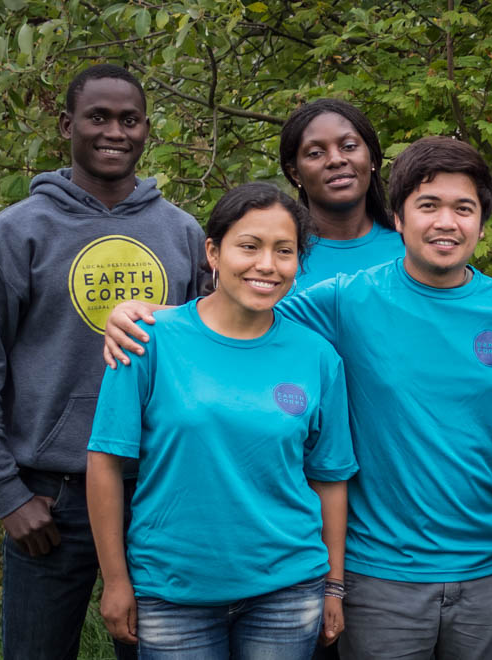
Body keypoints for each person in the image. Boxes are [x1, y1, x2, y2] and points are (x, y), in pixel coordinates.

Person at [106, 136, 492, 660]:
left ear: (482, 222)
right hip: (379, 574)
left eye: (464, 208)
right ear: (398, 218)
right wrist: (147, 314)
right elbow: (239, 312)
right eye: (428, 205)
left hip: (489, 568)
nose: (446, 222)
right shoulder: (346, 298)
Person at [0, 63, 206, 660]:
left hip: (156, 493)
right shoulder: (17, 232)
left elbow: (214, 352)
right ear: (67, 125)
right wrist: (6, 493)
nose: (115, 131)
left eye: (129, 119)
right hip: (48, 502)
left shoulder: (182, 233)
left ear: (146, 130)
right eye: (98, 117)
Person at [86, 183, 355, 658]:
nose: (266, 265)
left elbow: (329, 479)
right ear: (214, 251)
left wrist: (333, 586)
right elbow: (106, 463)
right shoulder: (146, 341)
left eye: (284, 251)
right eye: (249, 246)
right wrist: (115, 582)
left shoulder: (318, 358)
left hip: (288, 589)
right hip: (172, 592)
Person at [279, 99, 400, 288]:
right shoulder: (276, 255)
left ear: (373, 159)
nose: (335, 160)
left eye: (349, 146)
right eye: (315, 153)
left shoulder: (412, 245)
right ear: (295, 173)